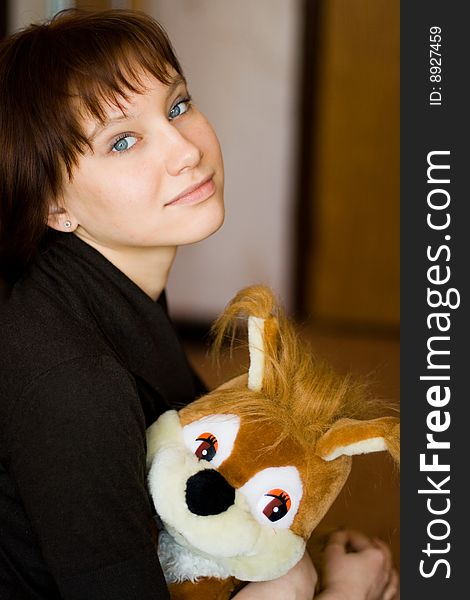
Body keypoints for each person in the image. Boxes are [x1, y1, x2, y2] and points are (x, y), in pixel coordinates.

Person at [0, 9, 398, 600]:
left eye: (177, 106)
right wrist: (344, 593)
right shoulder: (68, 374)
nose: (185, 150)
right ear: (54, 206)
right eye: (123, 141)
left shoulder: (114, 278)